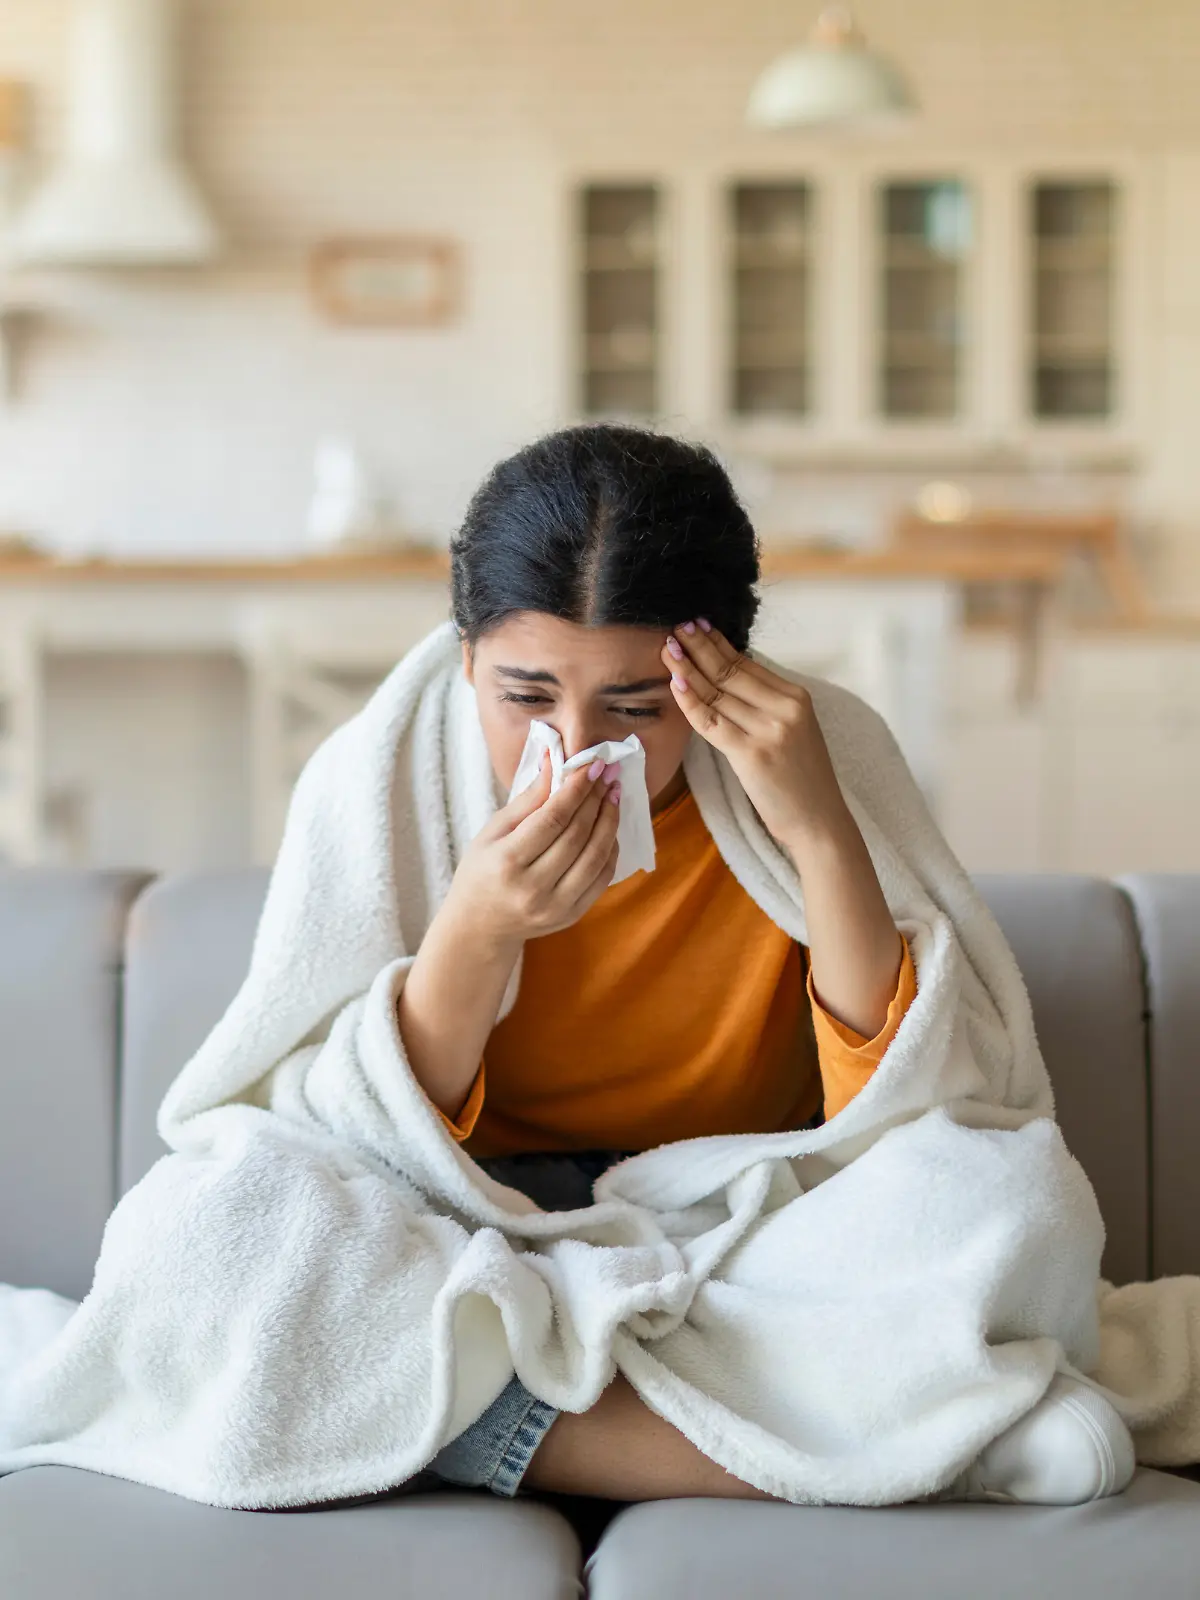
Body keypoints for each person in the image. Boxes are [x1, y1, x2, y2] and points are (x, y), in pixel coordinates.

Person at [394, 422, 916, 1503]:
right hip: (475, 1220)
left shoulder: (810, 757)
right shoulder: (393, 773)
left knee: (1009, 1198)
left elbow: (905, 1109)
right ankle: (900, 1448)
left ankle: (493, 1429)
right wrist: (478, 928)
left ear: (724, 669)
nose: (579, 744)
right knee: (229, 1230)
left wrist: (819, 830)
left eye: (637, 707)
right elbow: (359, 1125)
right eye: (525, 697)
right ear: (465, 663)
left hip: (743, 1213)